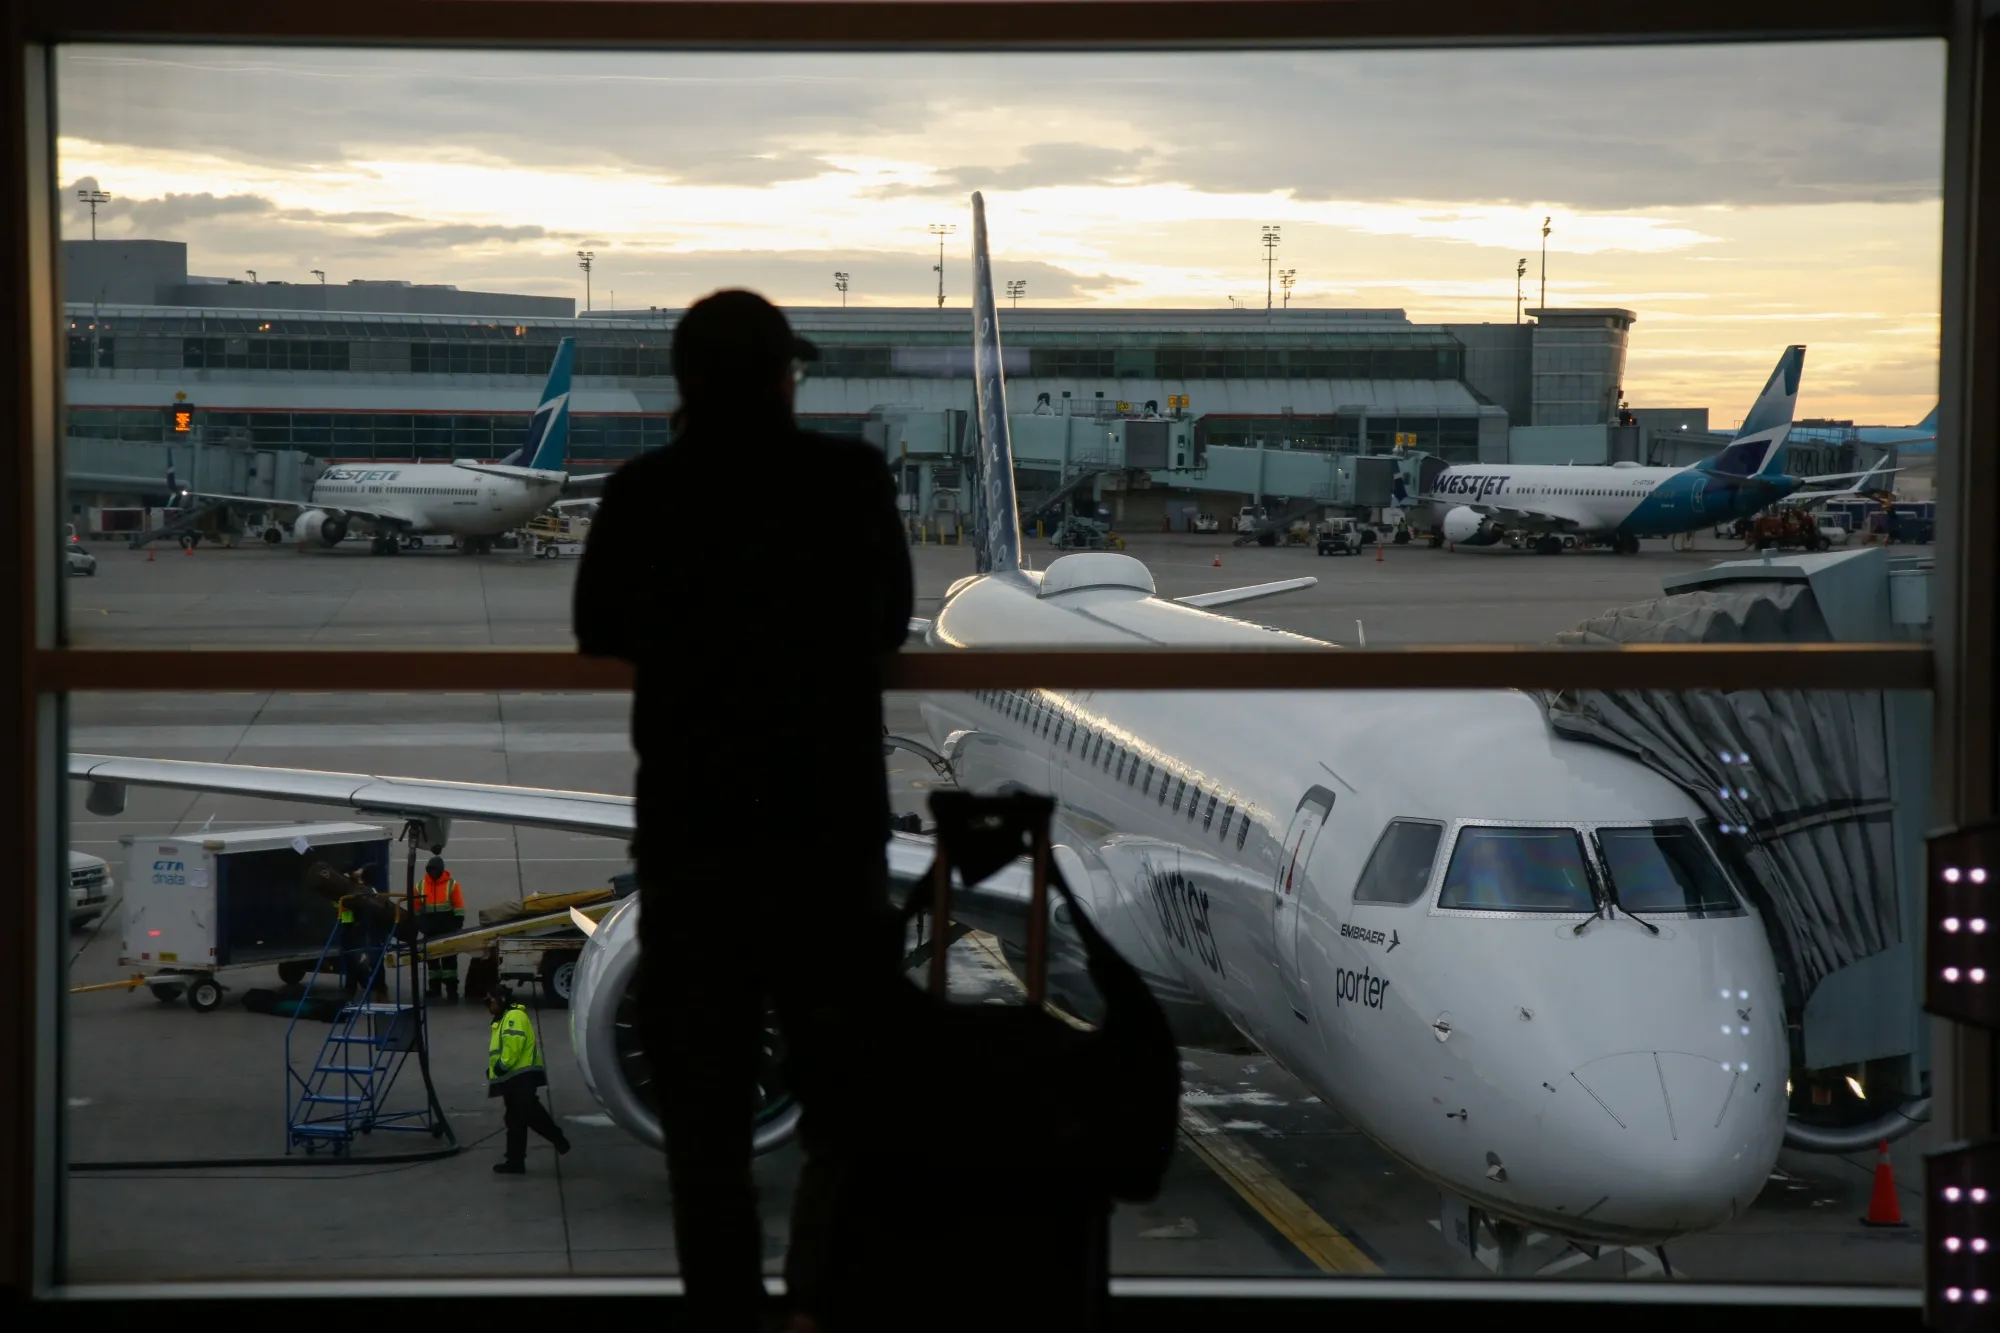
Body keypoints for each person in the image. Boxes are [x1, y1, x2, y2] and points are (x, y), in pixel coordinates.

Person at [574, 289, 912, 1333]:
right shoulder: (846, 479)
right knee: (851, 1112)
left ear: (683, 386)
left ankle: (726, 1316)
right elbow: (890, 622)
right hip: (826, 843)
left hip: (697, 843)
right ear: (781, 378)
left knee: (705, 1128)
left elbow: (598, 629)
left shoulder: (645, 492)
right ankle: (820, 1305)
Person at [486, 986, 570, 1173]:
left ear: (501, 999)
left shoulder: (513, 1016)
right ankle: (515, 1161)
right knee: (515, 1119)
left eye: (490, 1000)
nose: (488, 1005)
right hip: (513, 1077)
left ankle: (556, 1137)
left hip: (521, 1075)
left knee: (528, 1112)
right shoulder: (502, 1020)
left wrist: (502, 1065)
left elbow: (513, 1044)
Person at [417, 855, 466, 1001]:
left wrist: (456, 925)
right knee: (432, 961)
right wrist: (420, 924)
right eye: (430, 870)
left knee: (449, 961)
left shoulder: (452, 885)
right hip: (430, 929)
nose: (432, 872)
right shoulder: (420, 885)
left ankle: (452, 990)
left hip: (447, 928)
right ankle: (435, 988)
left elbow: (458, 907)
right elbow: (416, 909)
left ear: (441, 870)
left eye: (435, 869)